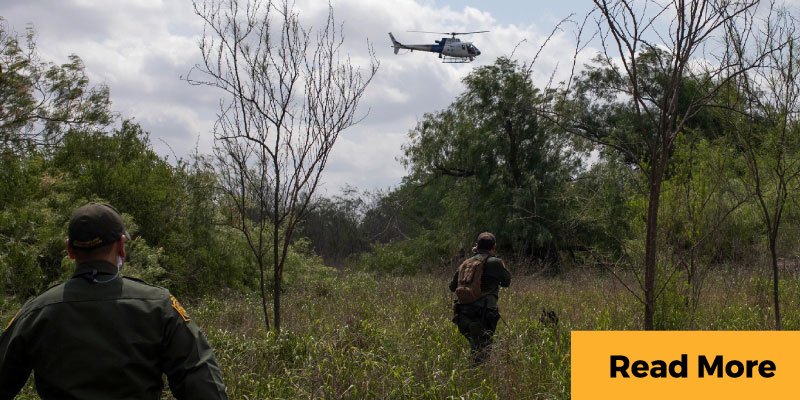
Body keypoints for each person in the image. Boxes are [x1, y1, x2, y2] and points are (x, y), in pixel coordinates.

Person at [0, 202, 228, 399]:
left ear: (69, 249)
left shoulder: (36, 311)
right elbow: (204, 386)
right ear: (121, 246)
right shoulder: (160, 305)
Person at [449, 232, 511, 364]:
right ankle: (470, 380)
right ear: (494, 246)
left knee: (476, 348)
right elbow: (506, 282)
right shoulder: (495, 262)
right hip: (482, 315)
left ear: (476, 246)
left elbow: (452, 286)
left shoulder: (465, 264)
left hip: (462, 316)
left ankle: (468, 376)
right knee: (481, 357)